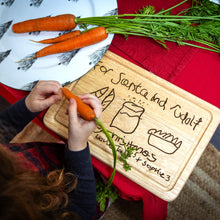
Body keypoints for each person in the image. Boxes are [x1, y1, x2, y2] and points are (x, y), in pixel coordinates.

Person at [0, 80, 102, 220]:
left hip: (45, 157)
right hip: (68, 189)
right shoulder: (23, 210)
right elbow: (83, 213)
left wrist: (27, 107)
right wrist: (77, 146)